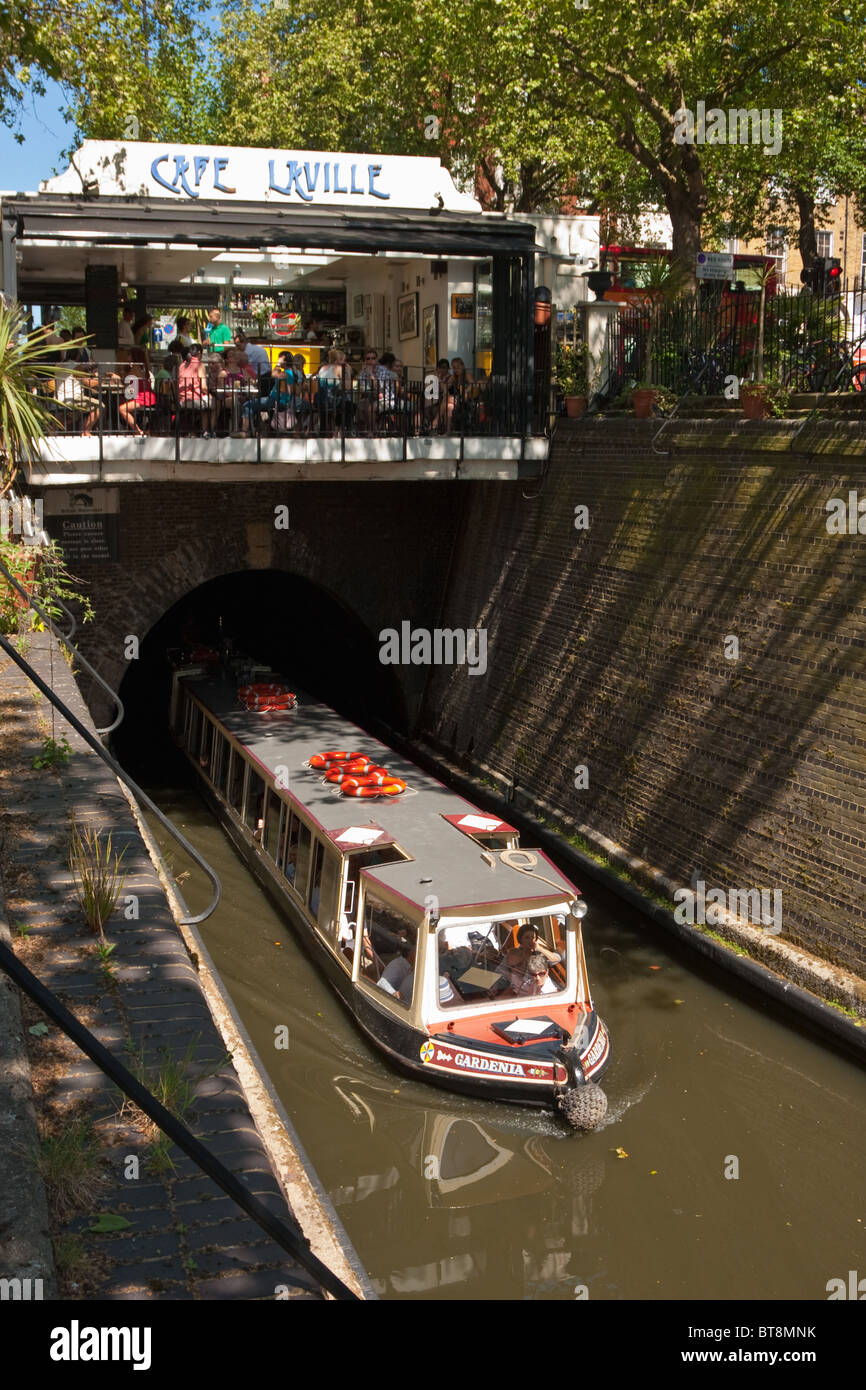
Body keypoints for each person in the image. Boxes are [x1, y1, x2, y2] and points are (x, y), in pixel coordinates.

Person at [177, 343, 216, 435]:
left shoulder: (182, 365)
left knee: (206, 403)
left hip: (181, 399)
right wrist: (209, 393)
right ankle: (207, 430)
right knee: (213, 404)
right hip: (194, 399)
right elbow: (203, 387)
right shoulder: (199, 365)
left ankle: (199, 430)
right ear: (199, 353)